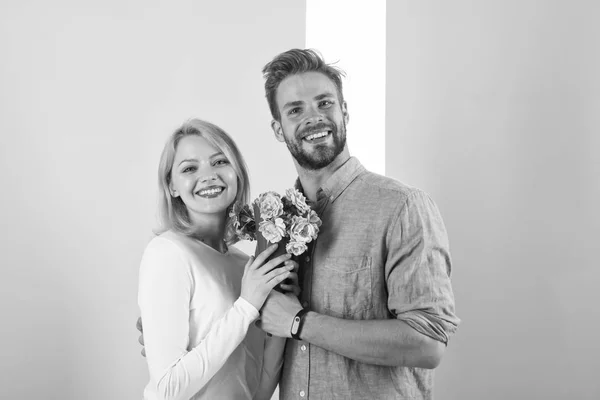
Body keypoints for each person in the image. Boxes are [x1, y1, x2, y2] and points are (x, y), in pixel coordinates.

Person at [252, 49, 460, 399]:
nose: (314, 118)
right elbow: (266, 328)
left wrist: (301, 323)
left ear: (344, 111)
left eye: (324, 103)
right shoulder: (276, 222)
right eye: (295, 110)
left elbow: (428, 343)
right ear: (278, 129)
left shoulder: (401, 207)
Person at [137, 119, 299, 400]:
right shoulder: (167, 253)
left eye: (219, 161)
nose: (209, 175)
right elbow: (168, 389)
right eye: (189, 168)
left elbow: (257, 384)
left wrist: (285, 306)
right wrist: (247, 305)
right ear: (172, 186)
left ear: (237, 173)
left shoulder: (244, 266)